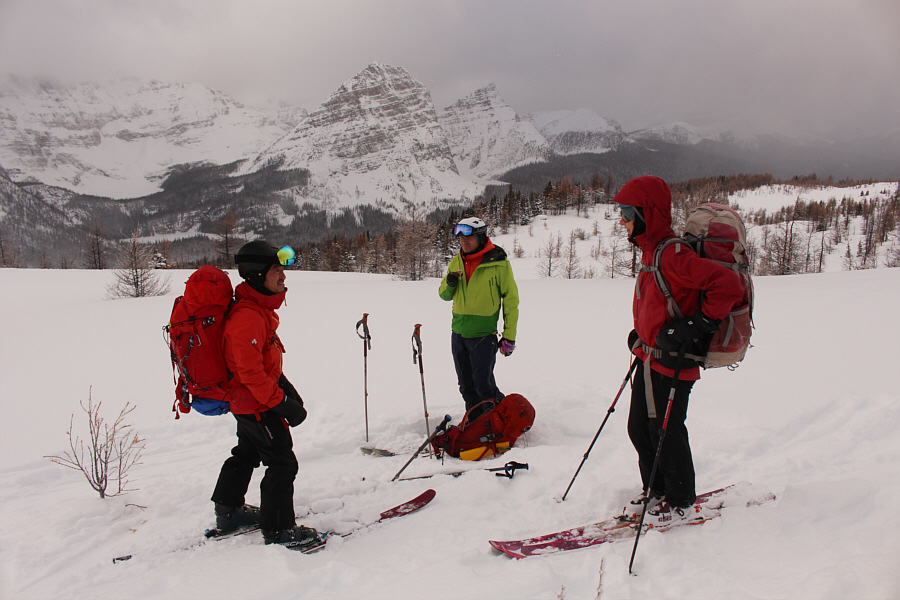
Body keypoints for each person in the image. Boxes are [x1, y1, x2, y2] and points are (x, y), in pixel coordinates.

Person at [615, 176, 743, 525]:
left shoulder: (671, 253)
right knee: (640, 428)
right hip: (649, 355)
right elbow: (658, 301)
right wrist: (642, 334)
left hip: (673, 359)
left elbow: (728, 285)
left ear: (647, 212)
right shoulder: (650, 250)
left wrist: (696, 325)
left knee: (666, 431)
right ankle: (656, 490)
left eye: (627, 212)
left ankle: (681, 500)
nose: (622, 219)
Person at [210, 240, 316, 548]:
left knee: (248, 450)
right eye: (276, 270)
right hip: (256, 404)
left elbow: (261, 363)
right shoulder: (247, 317)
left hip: (250, 401)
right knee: (282, 462)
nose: (283, 276)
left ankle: (228, 510)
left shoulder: (257, 310)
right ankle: (279, 529)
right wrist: (282, 403)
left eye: (283, 269)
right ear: (258, 276)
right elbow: (250, 374)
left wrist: (284, 385)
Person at [439, 217, 519, 413]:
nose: (464, 243)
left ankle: (502, 420)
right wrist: (449, 283)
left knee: (483, 385)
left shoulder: (498, 263)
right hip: (458, 333)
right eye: (461, 239)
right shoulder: (456, 261)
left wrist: (509, 336)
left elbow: (511, 300)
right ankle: (475, 424)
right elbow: (443, 295)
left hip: (483, 335)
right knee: (466, 386)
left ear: (481, 238)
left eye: (469, 238)